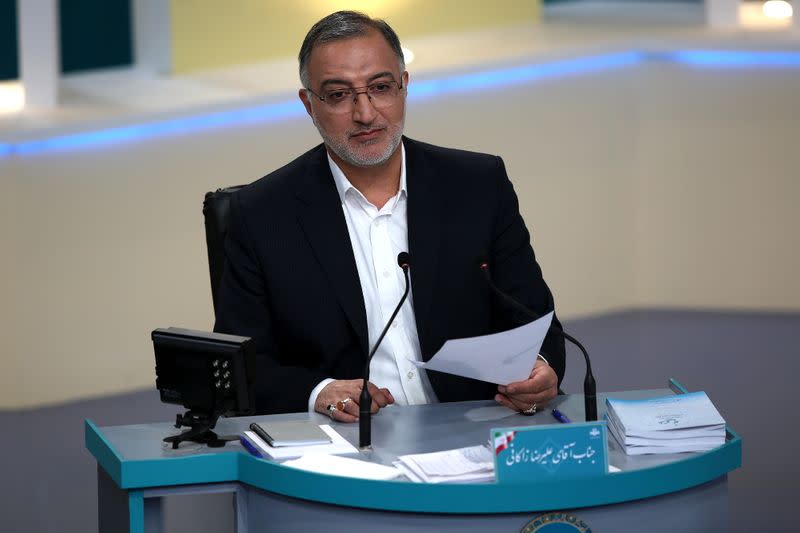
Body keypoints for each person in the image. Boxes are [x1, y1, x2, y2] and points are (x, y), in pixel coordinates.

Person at [214, 11, 565, 421]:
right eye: (339, 95)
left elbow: (537, 322)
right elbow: (242, 366)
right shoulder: (262, 215)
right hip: (346, 445)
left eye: (380, 88)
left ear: (404, 87)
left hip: (478, 425)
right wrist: (319, 392)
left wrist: (541, 369)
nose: (365, 113)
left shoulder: (477, 186)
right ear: (309, 104)